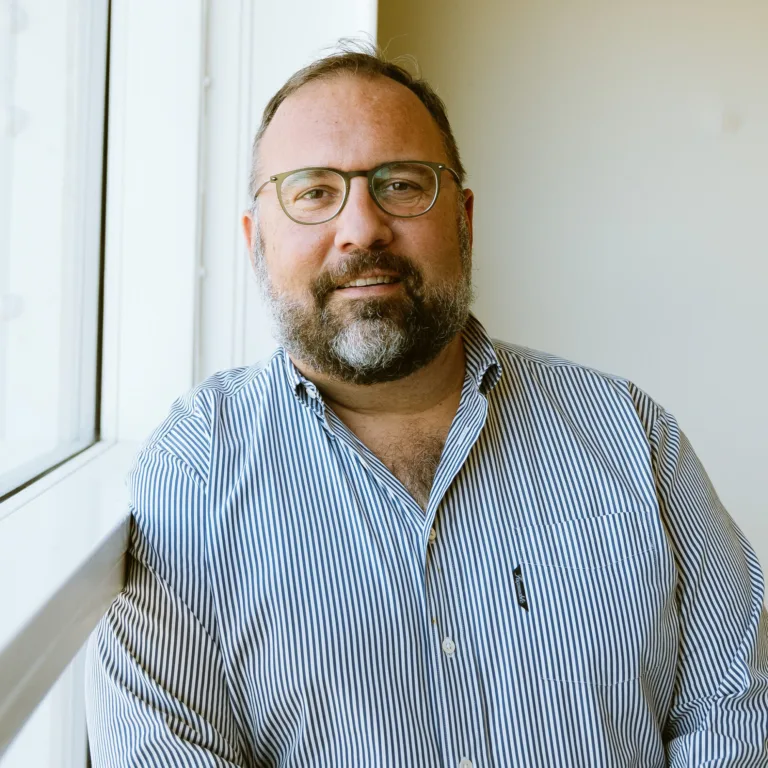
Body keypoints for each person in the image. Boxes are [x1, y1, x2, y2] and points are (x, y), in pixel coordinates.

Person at [85, 44, 768, 767]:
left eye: (402, 185)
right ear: (257, 242)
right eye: (314, 192)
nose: (362, 228)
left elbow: (737, 715)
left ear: (464, 221)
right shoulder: (193, 471)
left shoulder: (632, 433)